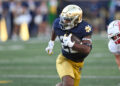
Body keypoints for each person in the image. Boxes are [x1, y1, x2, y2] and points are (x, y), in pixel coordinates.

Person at [45, 4, 93, 86]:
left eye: (67, 19)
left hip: (78, 63)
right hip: (65, 59)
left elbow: (87, 49)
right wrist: (51, 42)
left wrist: (72, 45)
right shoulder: (58, 23)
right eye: (63, 18)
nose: (63, 21)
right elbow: (55, 27)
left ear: (76, 19)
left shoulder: (84, 28)